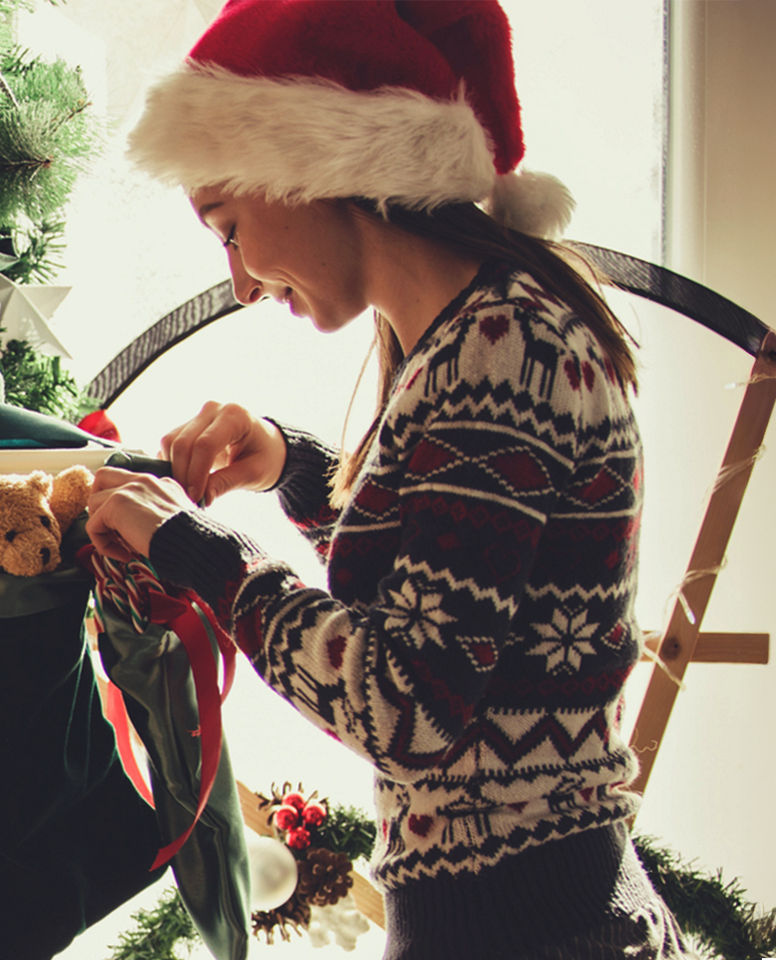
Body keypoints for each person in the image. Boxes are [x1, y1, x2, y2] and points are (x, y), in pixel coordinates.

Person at [84, 2, 696, 958]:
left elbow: (408, 702)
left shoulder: (501, 346)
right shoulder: (471, 338)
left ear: (307, 165)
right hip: (525, 917)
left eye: (232, 227)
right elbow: (458, 599)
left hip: (530, 928)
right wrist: (295, 469)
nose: (242, 282)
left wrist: (193, 547)